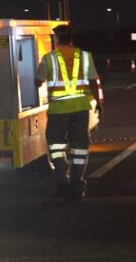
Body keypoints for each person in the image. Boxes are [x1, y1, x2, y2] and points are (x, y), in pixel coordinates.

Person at [35, 24, 101, 198]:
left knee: (56, 147)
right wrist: (99, 104)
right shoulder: (85, 57)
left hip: (58, 112)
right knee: (79, 148)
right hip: (80, 110)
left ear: (56, 39)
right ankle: (78, 184)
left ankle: (61, 179)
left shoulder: (49, 58)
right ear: (72, 38)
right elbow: (93, 81)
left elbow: (37, 81)